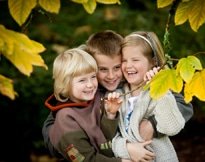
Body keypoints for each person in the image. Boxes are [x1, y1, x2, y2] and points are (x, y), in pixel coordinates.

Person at [42, 30, 193, 161]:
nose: (111, 76)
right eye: (102, 69)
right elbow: (55, 123)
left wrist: (153, 124)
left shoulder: (131, 83)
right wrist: (61, 141)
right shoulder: (84, 89)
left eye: (117, 66)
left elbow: (182, 104)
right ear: (92, 65)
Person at [46, 46, 132, 162]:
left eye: (93, 77)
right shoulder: (66, 118)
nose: (90, 84)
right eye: (82, 80)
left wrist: (110, 115)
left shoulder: (97, 97)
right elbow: (85, 159)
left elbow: (104, 139)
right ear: (65, 83)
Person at [110, 31, 186, 162]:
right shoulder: (116, 96)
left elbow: (172, 127)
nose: (128, 65)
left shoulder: (158, 95)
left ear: (153, 62)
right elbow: (109, 138)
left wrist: (159, 88)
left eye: (135, 60)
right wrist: (127, 148)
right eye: (124, 61)